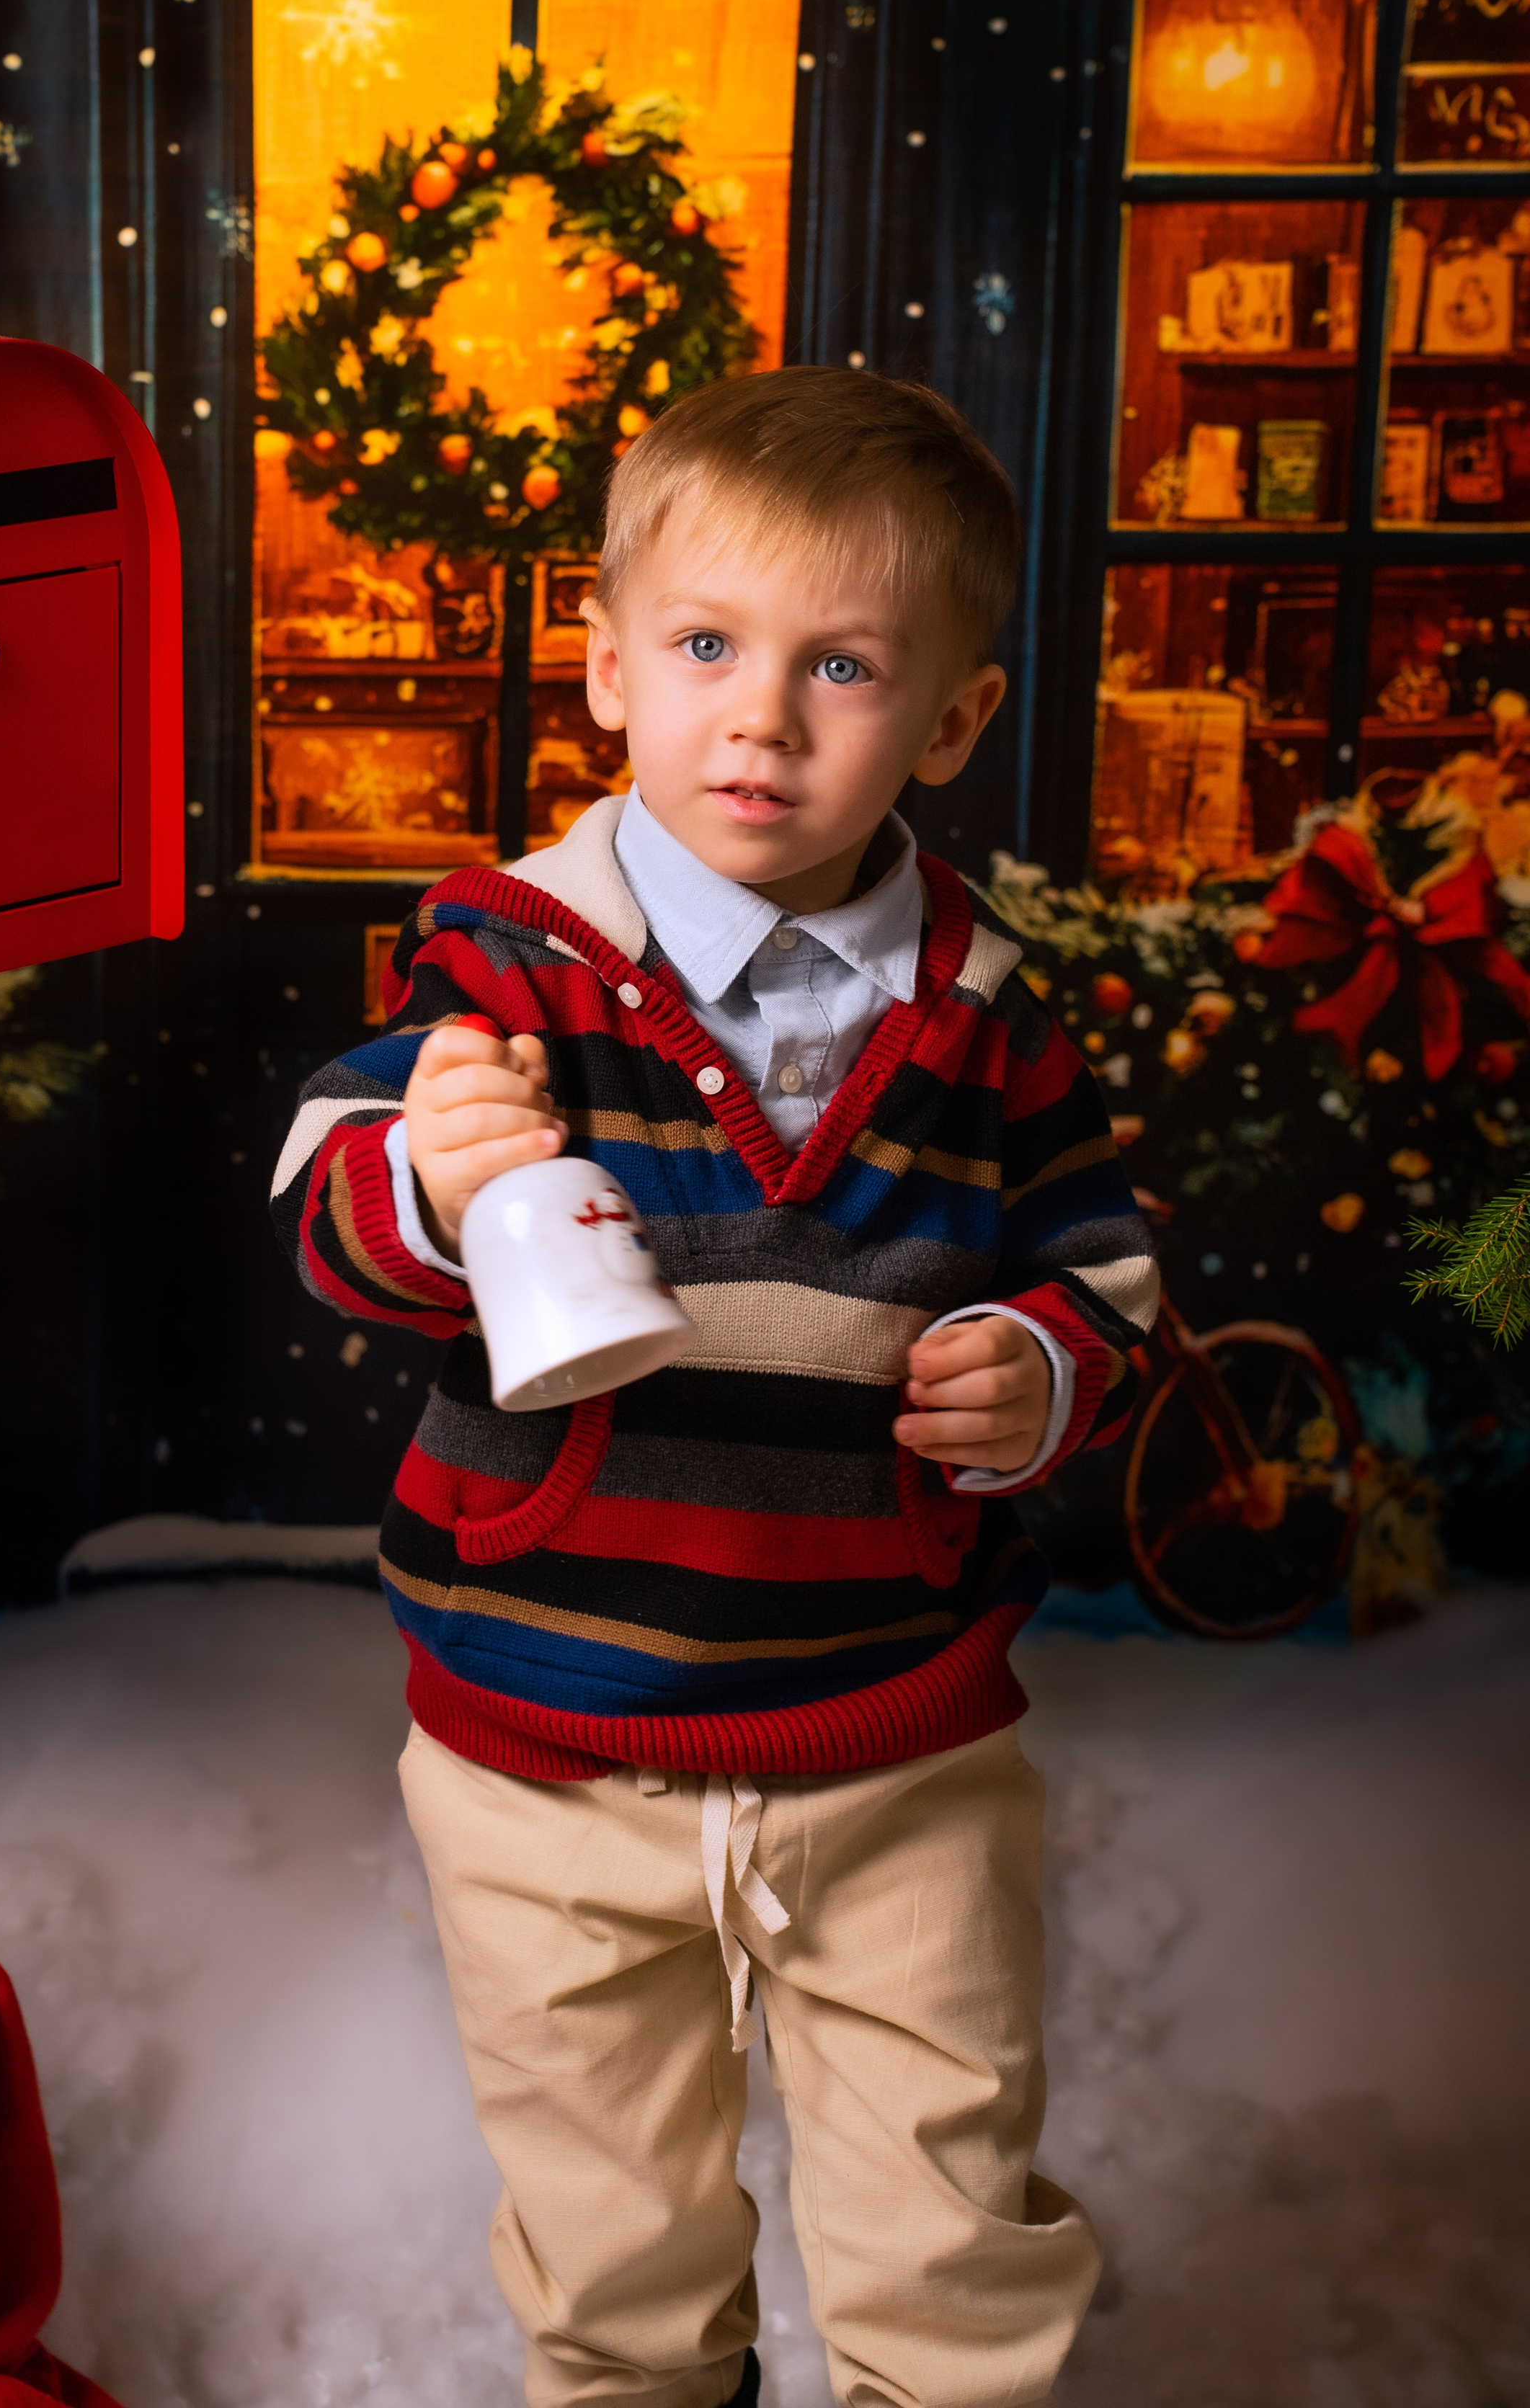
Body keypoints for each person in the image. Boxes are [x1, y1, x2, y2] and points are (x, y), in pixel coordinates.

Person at [270, 366, 1158, 2408]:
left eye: (840, 668)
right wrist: (431, 1181)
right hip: (549, 1741)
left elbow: (1103, 1268)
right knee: (615, 2255)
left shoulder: (990, 1026)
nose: (760, 715)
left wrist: (1044, 1366)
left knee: (947, 2242)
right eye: (704, 647)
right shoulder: (502, 977)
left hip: (894, 1739)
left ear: (947, 723)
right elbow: (333, 1225)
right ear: (603, 669)